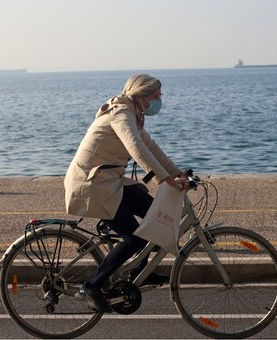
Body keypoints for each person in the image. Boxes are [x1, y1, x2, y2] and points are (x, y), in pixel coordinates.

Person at [64, 74, 188, 312]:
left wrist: (178, 172)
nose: (158, 101)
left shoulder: (134, 115)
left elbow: (152, 148)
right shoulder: (121, 114)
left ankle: (139, 270)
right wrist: (167, 180)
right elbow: (136, 147)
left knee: (155, 215)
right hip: (92, 184)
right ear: (141, 96)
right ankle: (90, 287)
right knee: (134, 238)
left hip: (109, 181)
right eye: (155, 97)